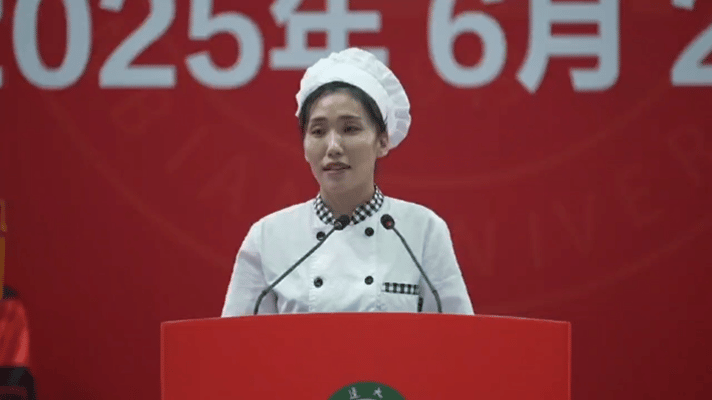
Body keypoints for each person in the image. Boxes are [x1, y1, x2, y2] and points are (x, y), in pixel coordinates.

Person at [221, 48, 474, 316]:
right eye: (318, 131)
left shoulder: (423, 230)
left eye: (350, 129)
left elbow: (458, 334)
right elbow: (237, 337)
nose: (333, 147)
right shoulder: (268, 237)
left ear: (382, 141)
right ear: (305, 146)